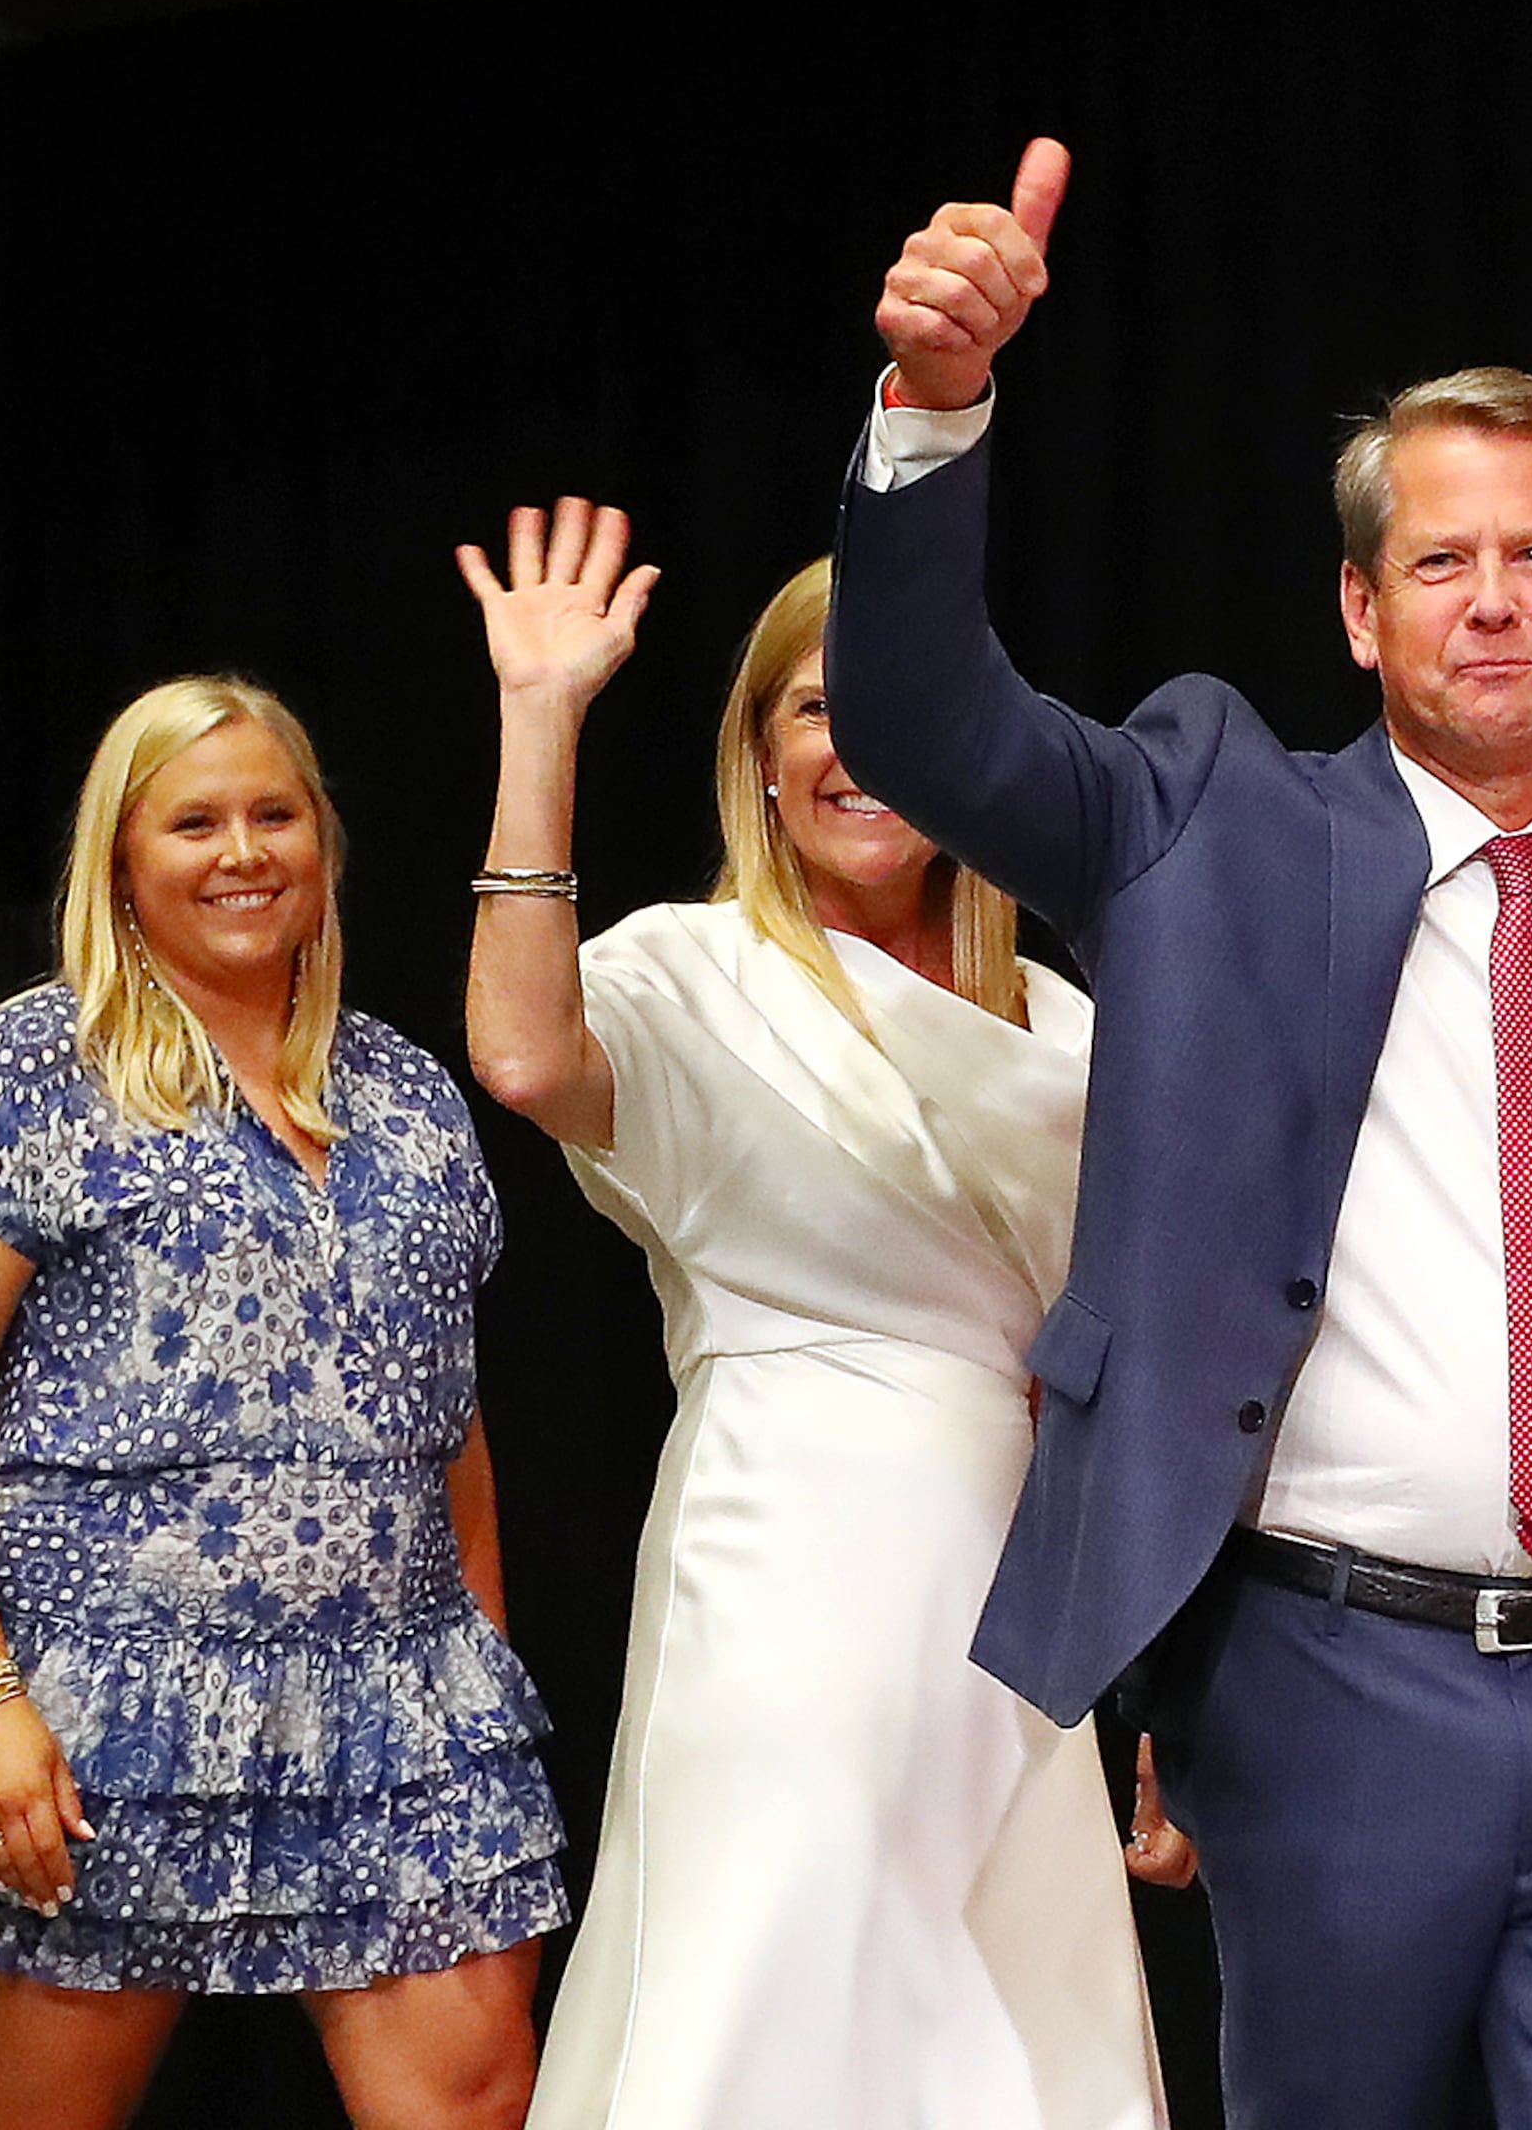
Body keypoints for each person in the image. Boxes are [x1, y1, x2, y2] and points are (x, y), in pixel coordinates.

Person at [826, 140, 1532, 2127]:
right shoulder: (1209, 816)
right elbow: (925, 727)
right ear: (1358, 609)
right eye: (1438, 562)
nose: (1491, 602)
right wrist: (933, 411)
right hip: (1331, 1684)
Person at [458, 501, 1176, 2130]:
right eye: (812, 707)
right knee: (770, 2004)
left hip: (1015, 1620)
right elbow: (519, 1052)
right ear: (759, 755)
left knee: (1009, 2049)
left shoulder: (1065, 1032)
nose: (856, 748)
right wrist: (540, 720)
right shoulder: (691, 979)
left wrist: (1165, 1695)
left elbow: (1133, 1382)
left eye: (895, 705)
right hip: (786, 1589)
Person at [0, 675, 566, 2130]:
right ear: (122, 863)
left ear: (325, 848)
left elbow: (447, 1427)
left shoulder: (407, 1091)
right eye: (194, 821)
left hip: (396, 1704)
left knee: (470, 2102)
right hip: (105, 1703)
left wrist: (478, 1682)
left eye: (274, 815)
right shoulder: (36, 1067)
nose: (242, 852)